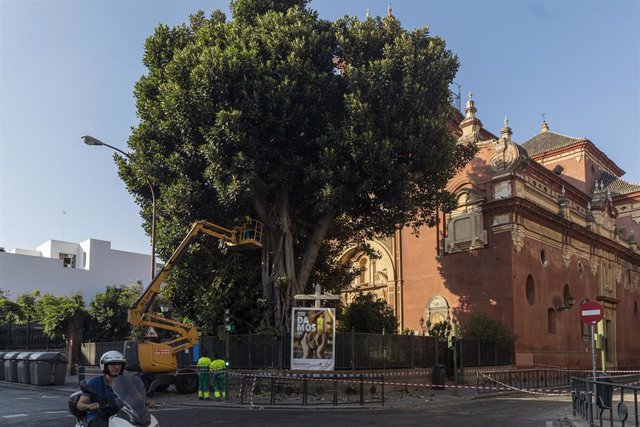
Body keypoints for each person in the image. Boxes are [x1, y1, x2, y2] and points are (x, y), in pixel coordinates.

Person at [77, 350, 126, 427]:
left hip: (119, 414)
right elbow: (80, 404)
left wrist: (147, 401)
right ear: (105, 366)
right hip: (98, 415)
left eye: (119, 364)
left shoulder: (125, 382)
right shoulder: (94, 382)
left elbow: (136, 397)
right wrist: (89, 406)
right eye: (112, 364)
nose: (116, 367)